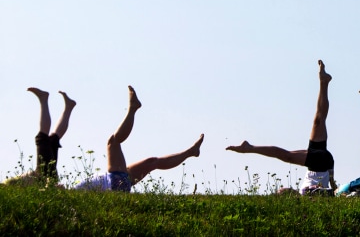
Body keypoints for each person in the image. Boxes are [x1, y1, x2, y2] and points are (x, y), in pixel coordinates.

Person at [227, 59, 336, 194]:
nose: (283, 189)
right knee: (286, 155)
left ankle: (323, 82)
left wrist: (331, 177)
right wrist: (332, 180)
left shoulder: (303, 192)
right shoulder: (307, 196)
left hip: (317, 161)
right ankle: (249, 148)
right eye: (283, 191)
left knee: (318, 120)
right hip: (320, 163)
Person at [75, 86, 204, 192]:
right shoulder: (73, 194)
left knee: (152, 162)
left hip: (118, 181)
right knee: (113, 142)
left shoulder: (73, 191)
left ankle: (191, 151)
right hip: (114, 180)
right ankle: (132, 109)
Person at [4, 88, 77, 186]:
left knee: (53, 140)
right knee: (42, 138)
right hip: (43, 177)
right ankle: (43, 99)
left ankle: (68, 108)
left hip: (45, 179)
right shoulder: (9, 189)